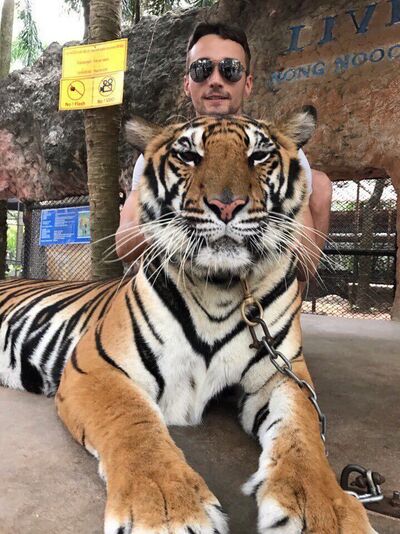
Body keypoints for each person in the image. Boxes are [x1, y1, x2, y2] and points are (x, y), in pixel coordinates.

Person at [116, 22, 332, 281]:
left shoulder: (278, 151)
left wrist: (268, 220)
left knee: (321, 183)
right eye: (202, 69)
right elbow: (123, 244)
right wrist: (178, 217)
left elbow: (306, 267)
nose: (216, 81)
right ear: (187, 84)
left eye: (230, 70)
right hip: (185, 292)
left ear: (248, 83)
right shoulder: (164, 153)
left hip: (256, 294)